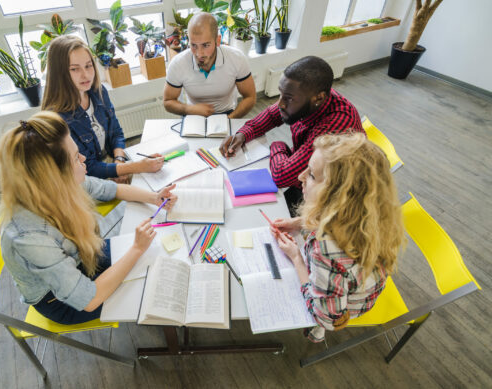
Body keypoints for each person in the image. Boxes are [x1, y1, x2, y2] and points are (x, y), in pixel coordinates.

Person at [0, 111, 177, 324]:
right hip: (59, 301)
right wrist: (136, 249)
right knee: (145, 284)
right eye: (75, 158)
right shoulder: (29, 237)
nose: (83, 159)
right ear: (53, 176)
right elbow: (88, 299)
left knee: (150, 260)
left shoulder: (56, 185)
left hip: (81, 258)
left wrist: (155, 197)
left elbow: (110, 189)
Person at [269, 133, 404, 342]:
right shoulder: (369, 209)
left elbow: (329, 320)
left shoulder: (325, 247)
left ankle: (314, 330)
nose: (301, 177)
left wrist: (296, 258)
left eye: (312, 175)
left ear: (339, 195)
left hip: (347, 307)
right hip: (362, 280)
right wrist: (299, 223)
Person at [219, 56, 363, 208]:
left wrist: (277, 145)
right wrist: (242, 134)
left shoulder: (334, 128)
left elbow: (282, 176)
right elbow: (270, 116)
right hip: (309, 180)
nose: (280, 103)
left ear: (319, 98)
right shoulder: (310, 96)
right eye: (280, 93)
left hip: (334, 200)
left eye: (288, 98)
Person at [42, 35, 163, 182]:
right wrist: (134, 167)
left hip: (107, 165)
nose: (85, 75)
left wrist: (119, 160)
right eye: (74, 69)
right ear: (59, 74)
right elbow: (88, 167)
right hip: (84, 182)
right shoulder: (56, 118)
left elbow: (116, 133)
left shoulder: (98, 91)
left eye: (88, 66)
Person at [163, 12, 256, 118]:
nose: (199, 54)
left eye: (206, 45)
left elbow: (250, 97)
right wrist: (190, 109)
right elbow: (168, 101)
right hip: (193, 114)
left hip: (227, 113)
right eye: (194, 45)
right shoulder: (178, 63)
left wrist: (229, 120)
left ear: (217, 41)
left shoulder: (237, 58)